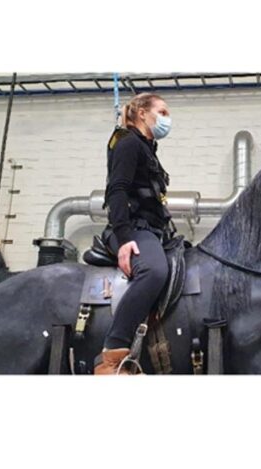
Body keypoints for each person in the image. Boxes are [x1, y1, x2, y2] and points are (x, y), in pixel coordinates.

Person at [95, 93, 178, 375]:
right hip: (132, 230)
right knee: (154, 271)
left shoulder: (147, 149)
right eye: (163, 112)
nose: (167, 119)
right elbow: (116, 191)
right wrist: (124, 237)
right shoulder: (128, 143)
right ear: (142, 113)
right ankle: (112, 355)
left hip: (154, 231)